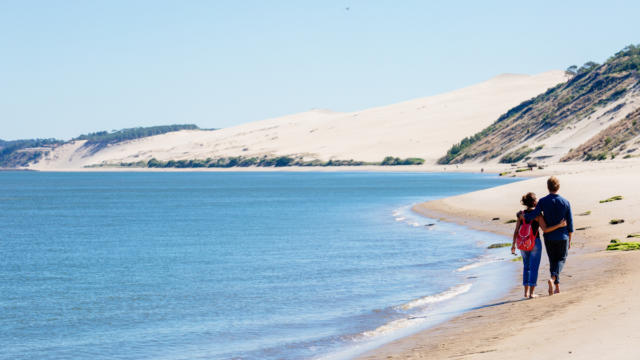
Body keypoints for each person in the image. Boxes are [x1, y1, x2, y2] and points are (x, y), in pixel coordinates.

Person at [519, 176, 574, 295]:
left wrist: (522, 216)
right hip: (562, 237)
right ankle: (553, 279)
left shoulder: (542, 201)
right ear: (558, 187)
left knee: (553, 261)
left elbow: (534, 214)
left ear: (548, 187)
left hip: (549, 237)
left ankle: (557, 287)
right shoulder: (566, 202)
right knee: (561, 259)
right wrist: (570, 239)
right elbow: (570, 224)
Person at [512, 192, 567, 298]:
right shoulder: (537, 215)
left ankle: (526, 292)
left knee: (526, 267)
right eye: (536, 199)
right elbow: (545, 229)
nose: (538, 201)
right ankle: (532, 293)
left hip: (523, 243)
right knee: (534, 268)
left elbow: (516, 231)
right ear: (533, 202)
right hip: (534, 243)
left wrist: (513, 245)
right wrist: (559, 225)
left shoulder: (521, 215)